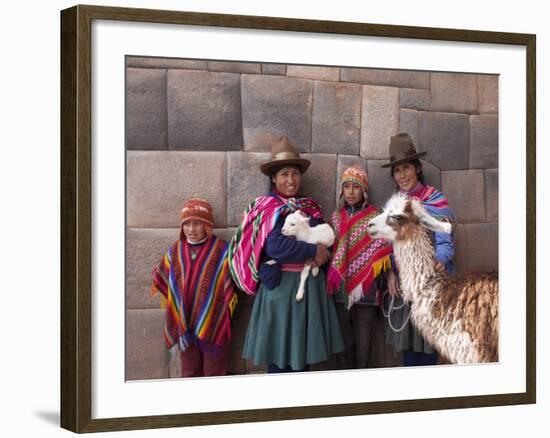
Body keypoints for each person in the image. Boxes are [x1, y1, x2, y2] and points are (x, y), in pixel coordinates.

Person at [228, 136, 345, 373]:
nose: (290, 180)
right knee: (279, 357)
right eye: (284, 174)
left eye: (294, 173)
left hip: (308, 290)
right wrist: (314, 250)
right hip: (280, 291)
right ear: (273, 178)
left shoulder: (309, 207)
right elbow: (275, 247)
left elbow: (324, 236)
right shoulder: (266, 208)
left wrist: (324, 253)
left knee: (303, 356)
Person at [381, 133, 456, 367]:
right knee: (410, 348)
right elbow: (393, 245)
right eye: (397, 171)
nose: (402, 175)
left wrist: (437, 262)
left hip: (432, 285)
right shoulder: (396, 206)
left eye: (406, 168)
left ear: (417, 168)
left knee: (429, 349)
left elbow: (446, 241)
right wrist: (392, 271)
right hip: (407, 287)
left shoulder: (435, 200)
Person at [151, 198, 238, 377]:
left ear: (207, 225)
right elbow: (164, 279)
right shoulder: (175, 251)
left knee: (214, 373)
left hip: (214, 323)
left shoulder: (222, 251)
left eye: (197, 223)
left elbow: (234, 283)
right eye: (186, 224)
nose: (191, 229)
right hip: (185, 325)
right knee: (189, 373)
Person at [327, 166, 395, 369]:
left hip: (367, 290)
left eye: (355, 187)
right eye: (346, 187)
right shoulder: (336, 218)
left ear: (364, 190)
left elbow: (386, 250)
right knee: (343, 347)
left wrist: (391, 274)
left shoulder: (376, 218)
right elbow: (332, 249)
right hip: (340, 292)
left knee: (364, 346)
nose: (350, 192)